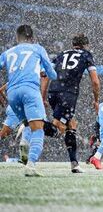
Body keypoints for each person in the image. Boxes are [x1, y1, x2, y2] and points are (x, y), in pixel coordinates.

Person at [0, 25, 57, 176]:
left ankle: (24, 144)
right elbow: (52, 74)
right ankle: (30, 165)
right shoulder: (37, 49)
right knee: (38, 128)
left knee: (26, 124)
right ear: (31, 38)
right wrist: (47, 70)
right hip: (30, 90)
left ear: (17, 38)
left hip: (12, 94)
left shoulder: (8, 52)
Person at [42, 33, 100, 173]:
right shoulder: (86, 55)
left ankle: (74, 163)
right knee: (58, 128)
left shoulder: (61, 54)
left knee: (72, 124)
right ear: (86, 45)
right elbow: (95, 82)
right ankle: (30, 123)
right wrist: (96, 99)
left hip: (53, 91)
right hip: (67, 95)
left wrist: (43, 96)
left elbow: (44, 74)